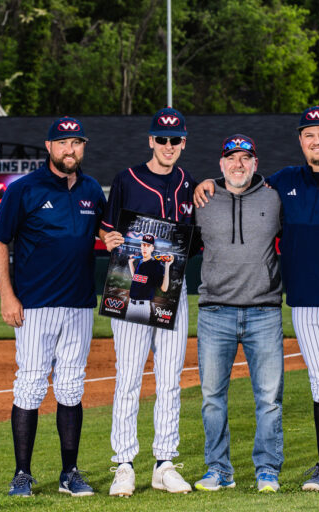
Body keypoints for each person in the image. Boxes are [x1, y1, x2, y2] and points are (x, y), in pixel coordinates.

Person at [194, 107, 319, 495]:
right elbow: (241, 183)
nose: (316, 141)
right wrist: (206, 181)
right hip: (305, 302)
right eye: (309, 135)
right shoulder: (285, 182)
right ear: (301, 141)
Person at [0, 117, 106, 498]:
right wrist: (7, 295)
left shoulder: (91, 189)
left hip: (79, 304)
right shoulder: (24, 189)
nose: (70, 149)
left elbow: (103, 230)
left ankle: (69, 472)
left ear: (83, 146)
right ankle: (22, 474)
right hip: (35, 305)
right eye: (63, 143)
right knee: (31, 385)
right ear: (49, 147)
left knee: (71, 386)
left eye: (76, 142)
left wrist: (113, 235)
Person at [99, 107, 196, 496]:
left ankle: (164, 462)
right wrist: (108, 239)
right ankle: (123, 463)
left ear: (183, 142)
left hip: (174, 290)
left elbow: (195, 238)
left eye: (175, 140)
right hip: (131, 285)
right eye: (162, 139)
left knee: (170, 380)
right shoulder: (127, 179)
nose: (168, 145)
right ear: (150, 141)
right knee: (129, 377)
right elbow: (108, 229)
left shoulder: (190, 184)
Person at [192, 134, 285, 493]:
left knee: (269, 399)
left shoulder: (274, 198)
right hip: (216, 312)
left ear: (255, 164)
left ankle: (267, 470)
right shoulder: (203, 198)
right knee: (213, 398)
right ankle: (219, 470)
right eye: (231, 158)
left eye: (245, 158)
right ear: (221, 164)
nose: (238, 164)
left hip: (264, 312)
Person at [125, 234, 172, 323]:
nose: (145, 248)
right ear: (141, 247)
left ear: (152, 248)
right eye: (143, 245)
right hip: (130, 305)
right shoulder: (140, 261)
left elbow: (164, 288)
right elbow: (136, 279)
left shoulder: (155, 265)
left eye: (148, 245)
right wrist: (131, 263)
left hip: (142, 307)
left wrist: (167, 267)